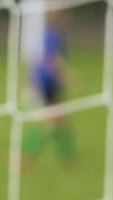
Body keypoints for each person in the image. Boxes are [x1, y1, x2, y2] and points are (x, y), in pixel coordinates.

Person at [20, 9, 78, 170]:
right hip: (48, 84)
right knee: (51, 122)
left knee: (60, 121)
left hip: (46, 83)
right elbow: (52, 59)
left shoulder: (44, 34)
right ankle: (25, 155)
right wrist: (68, 77)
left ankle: (68, 158)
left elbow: (35, 60)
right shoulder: (53, 35)